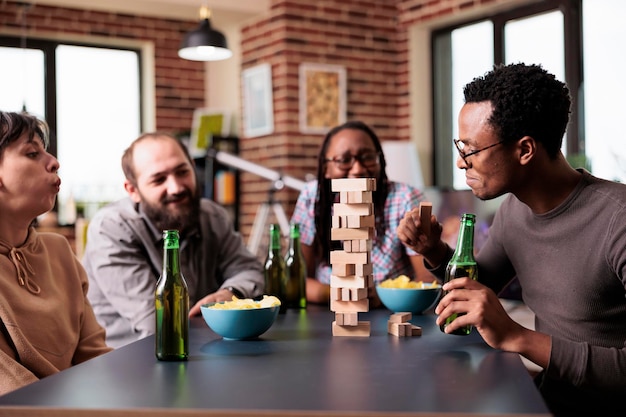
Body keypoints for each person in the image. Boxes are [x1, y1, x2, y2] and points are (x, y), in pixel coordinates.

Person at [397, 63, 626, 416]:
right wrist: (433, 251)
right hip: (545, 402)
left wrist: (517, 337)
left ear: (525, 150)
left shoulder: (618, 218)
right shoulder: (514, 212)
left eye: (470, 150)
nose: (461, 164)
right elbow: (475, 288)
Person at [82, 133, 264, 348]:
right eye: (159, 179)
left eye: (182, 172)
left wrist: (231, 293)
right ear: (133, 190)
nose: (176, 187)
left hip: (201, 348)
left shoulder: (212, 216)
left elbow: (251, 271)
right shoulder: (111, 229)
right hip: (129, 362)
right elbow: (159, 321)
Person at [0, 111, 112, 395]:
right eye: (32, 153)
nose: (54, 162)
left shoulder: (59, 250)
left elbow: (95, 356)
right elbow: (12, 392)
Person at [291, 120, 434, 307]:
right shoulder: (313, 197)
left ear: (380, 160)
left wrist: (381, 297)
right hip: (327, 312)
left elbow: (428, 282)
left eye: (367, 157)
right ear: (325, 168)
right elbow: (296, 280)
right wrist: (335, 292)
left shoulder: (406, 197)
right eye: (344, 160)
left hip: (390, 310)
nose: (358, 169)